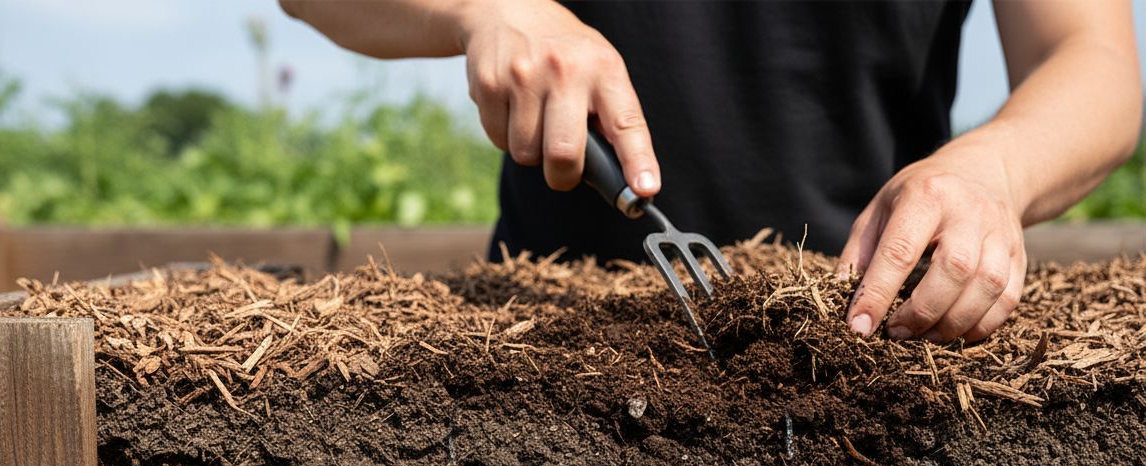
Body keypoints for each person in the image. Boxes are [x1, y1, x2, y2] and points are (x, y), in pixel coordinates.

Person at [280, 1, 1141, 343]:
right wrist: (482, 7)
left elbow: (1092, 54)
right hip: (553, 334)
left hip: (866, 326)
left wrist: (994, 165)